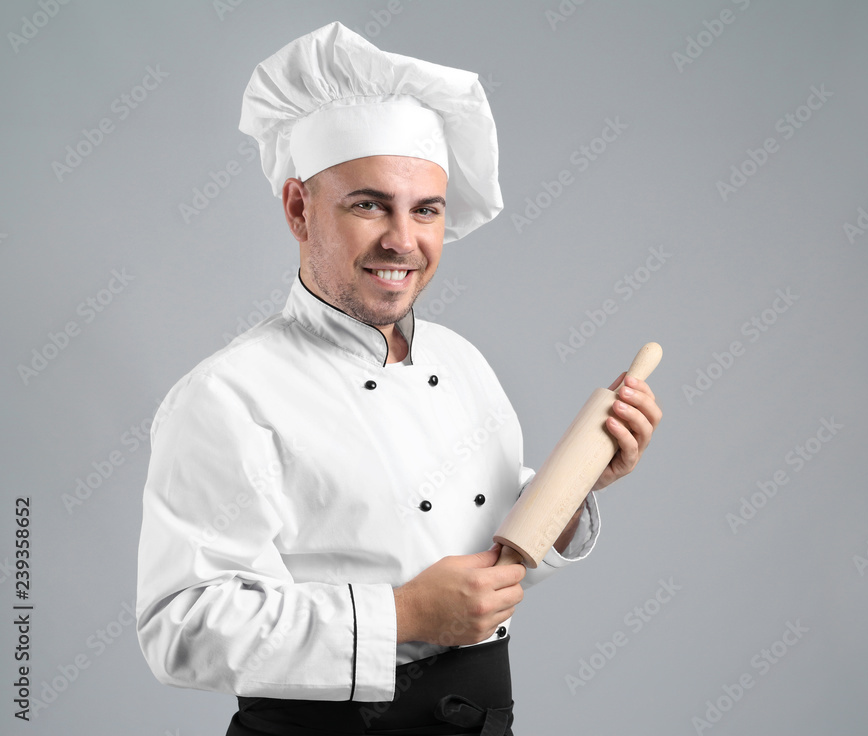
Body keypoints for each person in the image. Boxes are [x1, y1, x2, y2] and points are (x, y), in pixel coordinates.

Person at [136, 21, 660, 736]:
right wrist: (403, 614)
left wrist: (576, 487)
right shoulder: (228, 396)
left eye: (426, 210)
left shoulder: (464, 364)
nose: (402, 241)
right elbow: (181, 627)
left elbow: (487, 564)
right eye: (368, 204)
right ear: (299, 207)